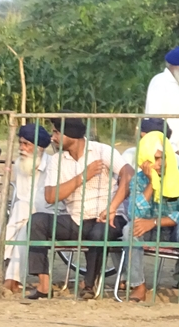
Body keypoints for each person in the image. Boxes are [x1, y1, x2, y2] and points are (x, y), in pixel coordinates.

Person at [25, 117, 134, 301]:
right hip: (76, 219)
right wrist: (83, 177)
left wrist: (113, 207)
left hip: (108, 217)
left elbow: (129, 174)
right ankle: (44, 285)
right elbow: (50, 196)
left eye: (56, 132)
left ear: (71, 134)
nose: (52, 137)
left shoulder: (102, 151)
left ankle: (89, 285)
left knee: (99, 232)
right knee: (37, 221)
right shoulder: (57, 160)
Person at [124, 131, 179, 305]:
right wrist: (152, 183)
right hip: (148, 231)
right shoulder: (138, 180)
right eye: (153, 159)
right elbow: (133, 215)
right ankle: (138, 286)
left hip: (173, 229)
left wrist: (154, 222)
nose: (158, 164)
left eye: (161, 158)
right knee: (129, 230)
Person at [1, 124, 55, 295]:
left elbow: (47, 201)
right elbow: (22, 195)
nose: (21, 148)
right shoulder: (20, 164)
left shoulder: (53, 165)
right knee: (24, 229)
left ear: (39, 148)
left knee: (22, 208)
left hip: (52, 215)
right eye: (20, 143)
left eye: (26, 144)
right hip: (26, 219)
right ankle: (12, 280)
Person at [145, 45, 179, 159]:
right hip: (164, 155)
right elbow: (153, 122)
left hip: (178, 155)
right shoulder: (160, 83)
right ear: (176, 65)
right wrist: (173, 151)